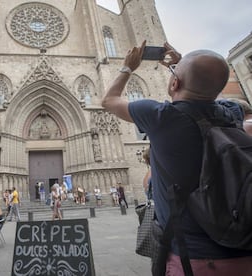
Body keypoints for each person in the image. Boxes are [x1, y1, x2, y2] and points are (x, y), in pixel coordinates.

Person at [102, 41, 252, 275]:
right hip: (244, 255)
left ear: (174, 82)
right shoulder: (232, 113)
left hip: (193, 259)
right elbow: (211, 89)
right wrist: (182, 64)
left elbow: (109, 100)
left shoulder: (162, 118)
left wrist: (128, 67)